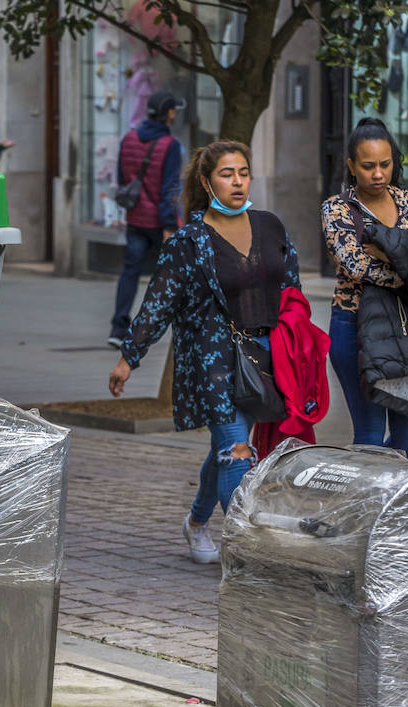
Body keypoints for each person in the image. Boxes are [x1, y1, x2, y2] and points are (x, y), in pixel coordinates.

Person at [108, 141, 301, 564]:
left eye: (243, 172)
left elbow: (291, 290)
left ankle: (196, 523)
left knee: (228, 450)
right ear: (206, 181)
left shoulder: (271, 226)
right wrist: (129, 358)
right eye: (227, 173)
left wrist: (299, 347)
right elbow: (158, 302)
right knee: (235, 450)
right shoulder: (189, 242)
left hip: (266, 359)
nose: (237, 181)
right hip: (212, 364)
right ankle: (249, 553)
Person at [320, 117, 408, 457]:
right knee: (370, 433)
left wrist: (387, 251)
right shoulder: (337, 209)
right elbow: (357, 266)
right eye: (368, 166)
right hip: (355, 326)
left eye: (385, 164)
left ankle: (374, 500)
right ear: (351, 166)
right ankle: (365, 508)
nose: (378, 174)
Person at [107, 90, 185, 347]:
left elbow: (122, 177)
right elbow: (170, 188)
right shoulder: (169, 145)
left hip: (135, 218)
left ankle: (118, 329)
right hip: (159, 222)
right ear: (169, 113)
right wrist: (170, 225)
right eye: (174, 109)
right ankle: (153, 328)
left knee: (130, 271)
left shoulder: (128, 138)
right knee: (167, 275)